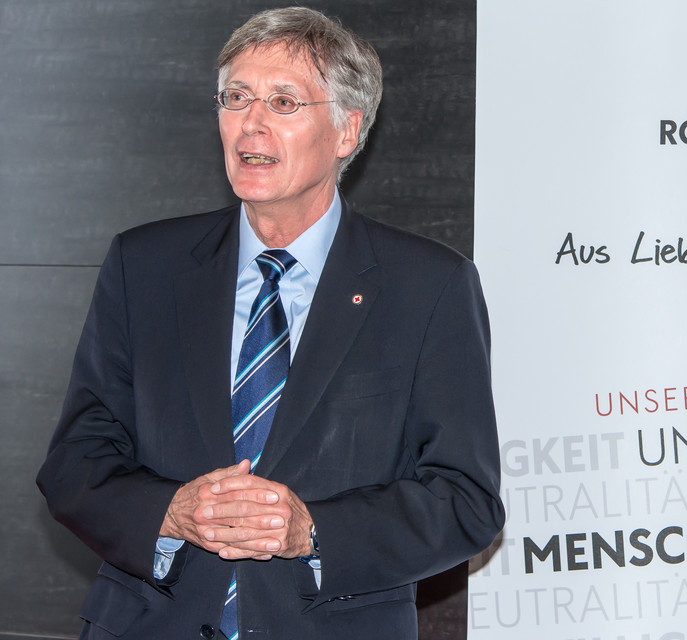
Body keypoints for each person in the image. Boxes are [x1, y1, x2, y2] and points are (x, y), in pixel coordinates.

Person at [36, 7, 504, 640]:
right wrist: (170, 513)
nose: (250, 123)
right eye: (236, 98)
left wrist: (312, 532)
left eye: (283, 102)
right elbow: (75, 463)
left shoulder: (429, 287)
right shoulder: (143, 266)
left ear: (346, 131)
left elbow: (466, 501)